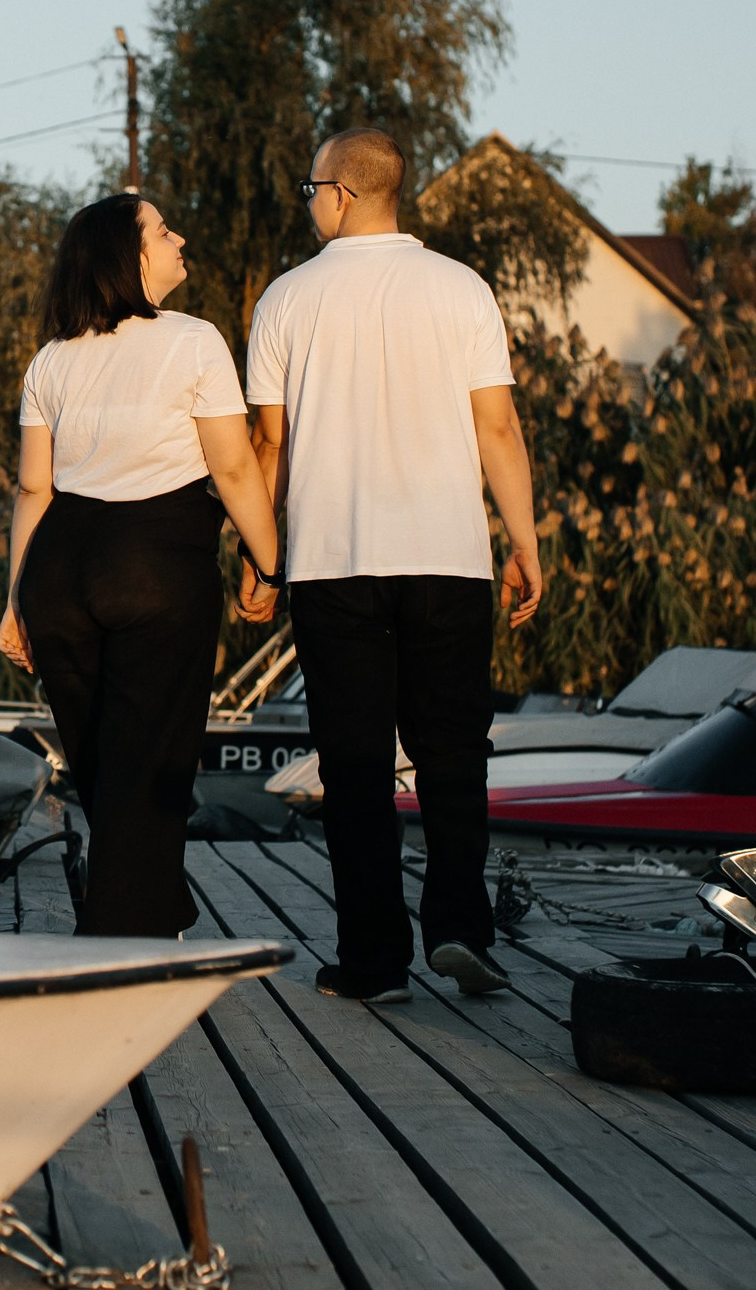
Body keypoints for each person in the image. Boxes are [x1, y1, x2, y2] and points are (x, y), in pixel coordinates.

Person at [239, 128, 543, 1000]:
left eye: (309, 189)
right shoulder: (462, 289)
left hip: (335, 562)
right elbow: (497, 428)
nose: (308, 204)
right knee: (454, 755)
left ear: (339, 192)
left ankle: (375, 962)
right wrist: (521, 541)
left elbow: (271, 446)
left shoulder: (287, 301)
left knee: (356, 766)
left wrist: (263, 561)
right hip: (449, 558)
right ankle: (461, 931)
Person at [0, 193, 282, 938]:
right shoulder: (192, 342)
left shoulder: (51, 359)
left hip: (58, 574)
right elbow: (235, 468)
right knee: (149, 768)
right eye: (162, 230)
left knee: (101, 768)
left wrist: (12, 601)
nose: (179, 236)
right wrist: (270, 562)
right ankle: (117, 942)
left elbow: (34, 488)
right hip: (154, 564)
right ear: (130, 256)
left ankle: (158, 906)